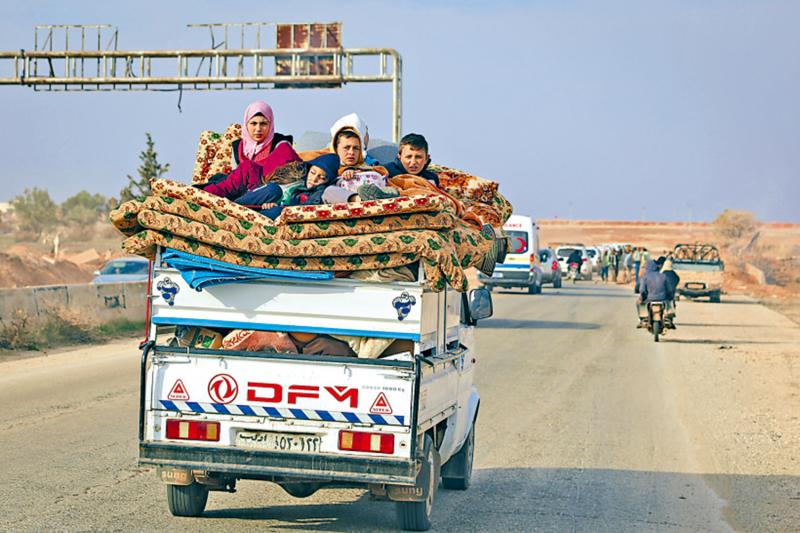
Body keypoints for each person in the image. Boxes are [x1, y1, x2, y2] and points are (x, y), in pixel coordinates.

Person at [202, 101, 301, 200]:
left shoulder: (280, 144)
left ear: (270, 124)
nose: (258, 129)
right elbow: (236, 178)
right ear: (246, 124)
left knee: (247, 167)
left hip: (267, 192)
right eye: (253, 123)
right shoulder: (238, 147)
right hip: (241, 191)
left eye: (263, 123)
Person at [234, 154, 340, 219]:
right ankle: (232, 207)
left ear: (327, 181)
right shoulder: (296, 177)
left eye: (322, 177)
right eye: (313, 172)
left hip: (276, 210)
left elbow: (306, 207)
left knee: (278, 211)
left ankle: (249, 220)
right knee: (273, 189)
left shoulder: (318, 193)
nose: (314, 179)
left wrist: (276, 206)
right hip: (259, 199)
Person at [637, 259, 674, 328]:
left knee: (638, 303)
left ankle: (642, 318)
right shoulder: (663, 276)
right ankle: (668, 317)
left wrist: (642, 298)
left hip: (650, 298)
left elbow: (642, 290)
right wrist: (670, 296)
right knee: (670, 302)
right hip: (663, 298)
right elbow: (669, 289)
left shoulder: (645, 277)